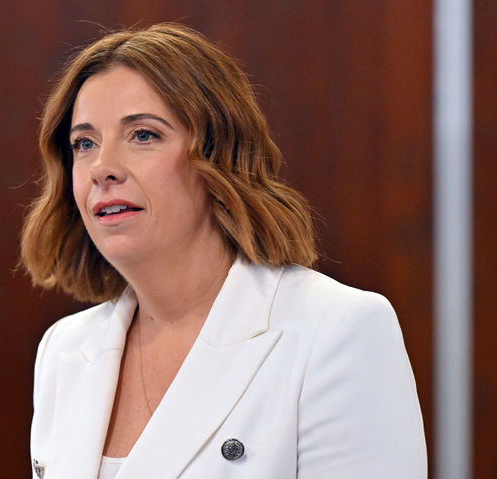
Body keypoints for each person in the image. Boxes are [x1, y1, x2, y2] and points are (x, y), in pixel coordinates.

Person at [21, 23, 426, 479]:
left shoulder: (337, 331)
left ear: (218, 156)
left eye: (143, 135)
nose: (102, 167)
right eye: (84, 143)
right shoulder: (64, 350)